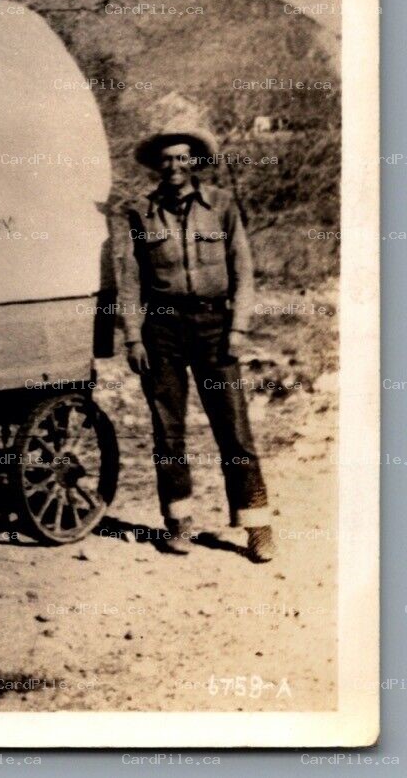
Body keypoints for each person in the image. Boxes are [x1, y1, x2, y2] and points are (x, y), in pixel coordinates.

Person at [112, 123, 274, 562]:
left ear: (195, 162)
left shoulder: (221, 205)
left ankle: (256, 524)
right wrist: (132, 336)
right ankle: (178, 523)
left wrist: (238, 328)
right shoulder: (141, 212)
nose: (174, 165)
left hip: (214, 329)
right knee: (168, 433)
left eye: (182, 157)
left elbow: (243, 269)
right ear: (157, 166)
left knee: (234, 430)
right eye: (166, 159)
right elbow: (130, 281)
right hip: (162, 331)